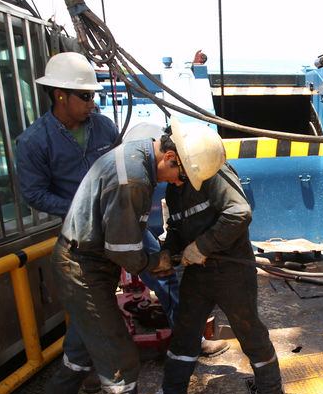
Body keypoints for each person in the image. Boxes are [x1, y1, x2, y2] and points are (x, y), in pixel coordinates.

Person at [15, 52, 227, 361]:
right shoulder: (33, 142)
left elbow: (126, 171)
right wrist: (86, 208)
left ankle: (189, 341)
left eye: (94, 96)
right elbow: (34, 194)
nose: (93, 103)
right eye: (86, 96)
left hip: (125, 223)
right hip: (84, 235)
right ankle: (84, 364)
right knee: (92, 298)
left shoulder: (102, 128)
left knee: (163, 271)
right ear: (60, 95)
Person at [26, 127, 210, 394]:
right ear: (170, 157)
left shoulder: (139, 155)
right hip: (83, 269)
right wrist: (159, 262)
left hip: (84, 260)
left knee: (82, 347)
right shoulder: (134, 180)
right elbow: (124, 251)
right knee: (119, 357)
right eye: (180, 175)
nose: (177, 183)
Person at [149, 118, 284, 394]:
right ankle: (174, 393)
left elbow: (239, 213)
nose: (169, 180)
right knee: (185, 331)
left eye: (171, 174)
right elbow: (178, 229)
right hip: (199, 274)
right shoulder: (175, 188)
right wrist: (168, 254)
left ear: (182, 162)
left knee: (248, 330)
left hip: (232, 270)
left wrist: (203, 246)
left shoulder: (211, 171)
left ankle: (271, 392)